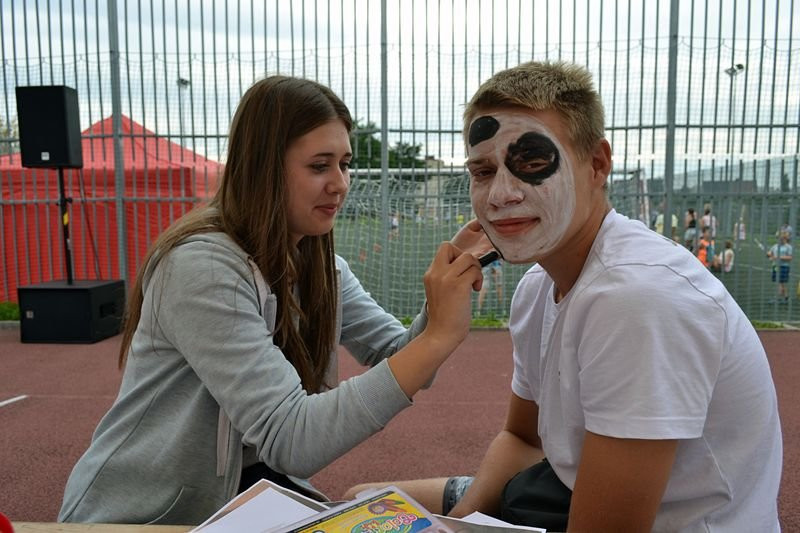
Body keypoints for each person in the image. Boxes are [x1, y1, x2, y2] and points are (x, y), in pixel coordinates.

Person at [346, 61, 782, 532]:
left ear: (597, 164)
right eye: (482, 171)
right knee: (361, 504)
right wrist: (459, 523)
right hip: (560, 492)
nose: (500, 195)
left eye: (532, 164)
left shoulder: (638, 298)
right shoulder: (537, 287)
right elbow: (522, 438)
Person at [58, 76, 488, 525]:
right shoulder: (200, 268)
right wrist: (437, 337)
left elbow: (401, 357)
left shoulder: (324, 268)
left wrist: (442, 302)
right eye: (319, 165)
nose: (340, 183)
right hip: (146, 516)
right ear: (263, 166)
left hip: (245, 496)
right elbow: (292, 440)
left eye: (344, 163)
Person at [767, 232, 793, 303]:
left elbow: (790, 257)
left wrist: (777, 257)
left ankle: (777, 298)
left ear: (784, 238)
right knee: (780, 283)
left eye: (780, 238)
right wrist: (769, 254)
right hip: (775, 266)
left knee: (780, 283)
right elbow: (770, 253)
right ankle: (786, 297)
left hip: (784, 267)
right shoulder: (775, 246)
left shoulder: (788, 247)